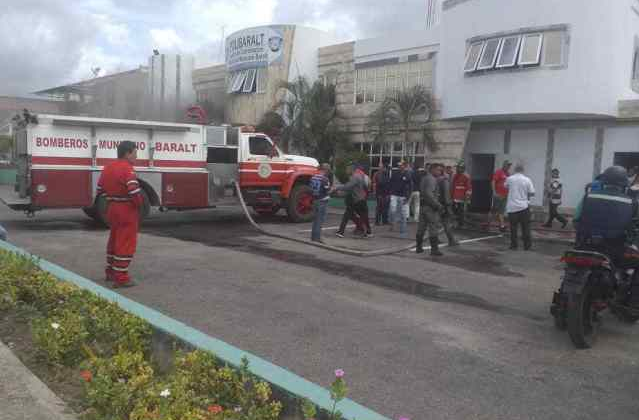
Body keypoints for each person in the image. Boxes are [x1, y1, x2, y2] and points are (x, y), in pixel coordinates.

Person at [98, 141, 144, 288]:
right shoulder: (128, 169)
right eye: (135, 153)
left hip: (112, 208)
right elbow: (134, 191)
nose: (136, 156)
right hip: (126, 210)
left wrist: (111, 201)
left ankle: (110, 272)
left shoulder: (107, 168)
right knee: (125, 243)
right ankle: (121, 277)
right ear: (128, 153)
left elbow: (100, 190)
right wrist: (139, 205)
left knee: (114, 240)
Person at [574, 166, 637, 258]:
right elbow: (634, 225)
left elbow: (575, 219)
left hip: (586, 243)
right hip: (615, 247)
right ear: (624, 185)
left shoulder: (588, 197)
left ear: (603, 182)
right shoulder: (632, 202)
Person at [505, 163, 535, 250]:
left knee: (513, 228)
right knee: (525, 227)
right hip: (524, 207)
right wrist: (526, 196)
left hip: (512, 208)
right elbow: (532, 193)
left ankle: (514, 245)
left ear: (515, 170)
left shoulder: (509, 179)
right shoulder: (527, 180)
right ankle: (527, 246)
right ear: (523, 170)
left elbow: (505, 186)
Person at [416, 163, 444, 256]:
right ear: (433, 170)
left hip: (423, 206)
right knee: (433, 228)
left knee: (421, 228)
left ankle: (418, 247)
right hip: (430, 207)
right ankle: (434, 250)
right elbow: (429, 194)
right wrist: (438, 205)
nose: (440, 172)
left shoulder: (424, 178)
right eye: (438, 170)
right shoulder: (432, 179)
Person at [335, 163, 368, 238]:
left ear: (351, 169)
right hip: (359, 199)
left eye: (347, 169)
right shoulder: (357, 176)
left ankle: (341, 232)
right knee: (356, 216)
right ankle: (364, 231)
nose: (346, 171)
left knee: (348, 215)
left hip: (357, 200)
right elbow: (352, 188)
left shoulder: (355, 177)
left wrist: (337, 188)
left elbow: (348, 187)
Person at [389, 161, 413, 238]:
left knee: (403, 213)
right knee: (392, 209)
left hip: (403, 196)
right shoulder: (395, 173)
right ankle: (393, 224)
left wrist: (408, 196)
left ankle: (403, 229)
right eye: (399, 165)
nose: (399, 166)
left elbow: (410, 186)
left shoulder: (408, 174)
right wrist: (390, 192)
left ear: (404, 166)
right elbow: (390, 183)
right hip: (394, 194)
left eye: (401, 165)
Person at [438, 165, 459, 247]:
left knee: (435, 223)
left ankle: (435, 239)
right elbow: (447, 195)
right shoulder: (444, 180)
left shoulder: (435, 179)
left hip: (436, 204)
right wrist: (449, 206)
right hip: (444, 205)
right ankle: (451, 240)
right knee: (447, 223)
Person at [310, 163, 332, 243]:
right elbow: (327, 190)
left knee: (315, 220)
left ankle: (313, 237)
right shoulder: (325, 179)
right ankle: (317, 238)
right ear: (325, 170)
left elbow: (311, 189)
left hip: (315, 200)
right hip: (322, 200)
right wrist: (333, 189)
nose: (329, 172)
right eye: (328, 170)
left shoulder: (313, 177)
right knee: (320, 221)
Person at [489, 160, 512, 232]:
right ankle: (488, 223)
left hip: (505, 195)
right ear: (504, 165)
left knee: (501, 211)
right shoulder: (499, 172)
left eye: (509, 166)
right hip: (498, 195)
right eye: (507, 165)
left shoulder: (508, 174)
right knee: (494, 211)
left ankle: (502, 226)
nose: (508, 167)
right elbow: (493, 181)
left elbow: (509, 185)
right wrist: (494, 192)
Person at [451, 162, 472, 228]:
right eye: (457, 168)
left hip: (462, 197)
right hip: (454, 197)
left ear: (463, 168)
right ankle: (455, 222)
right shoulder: (454, 175)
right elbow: (452, 186)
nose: (457, 169)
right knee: (454, 210)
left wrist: (467, 197)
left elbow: (469, 187)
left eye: (459, 168)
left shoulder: (466, 176)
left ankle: (461, 223)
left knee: (461, 211)